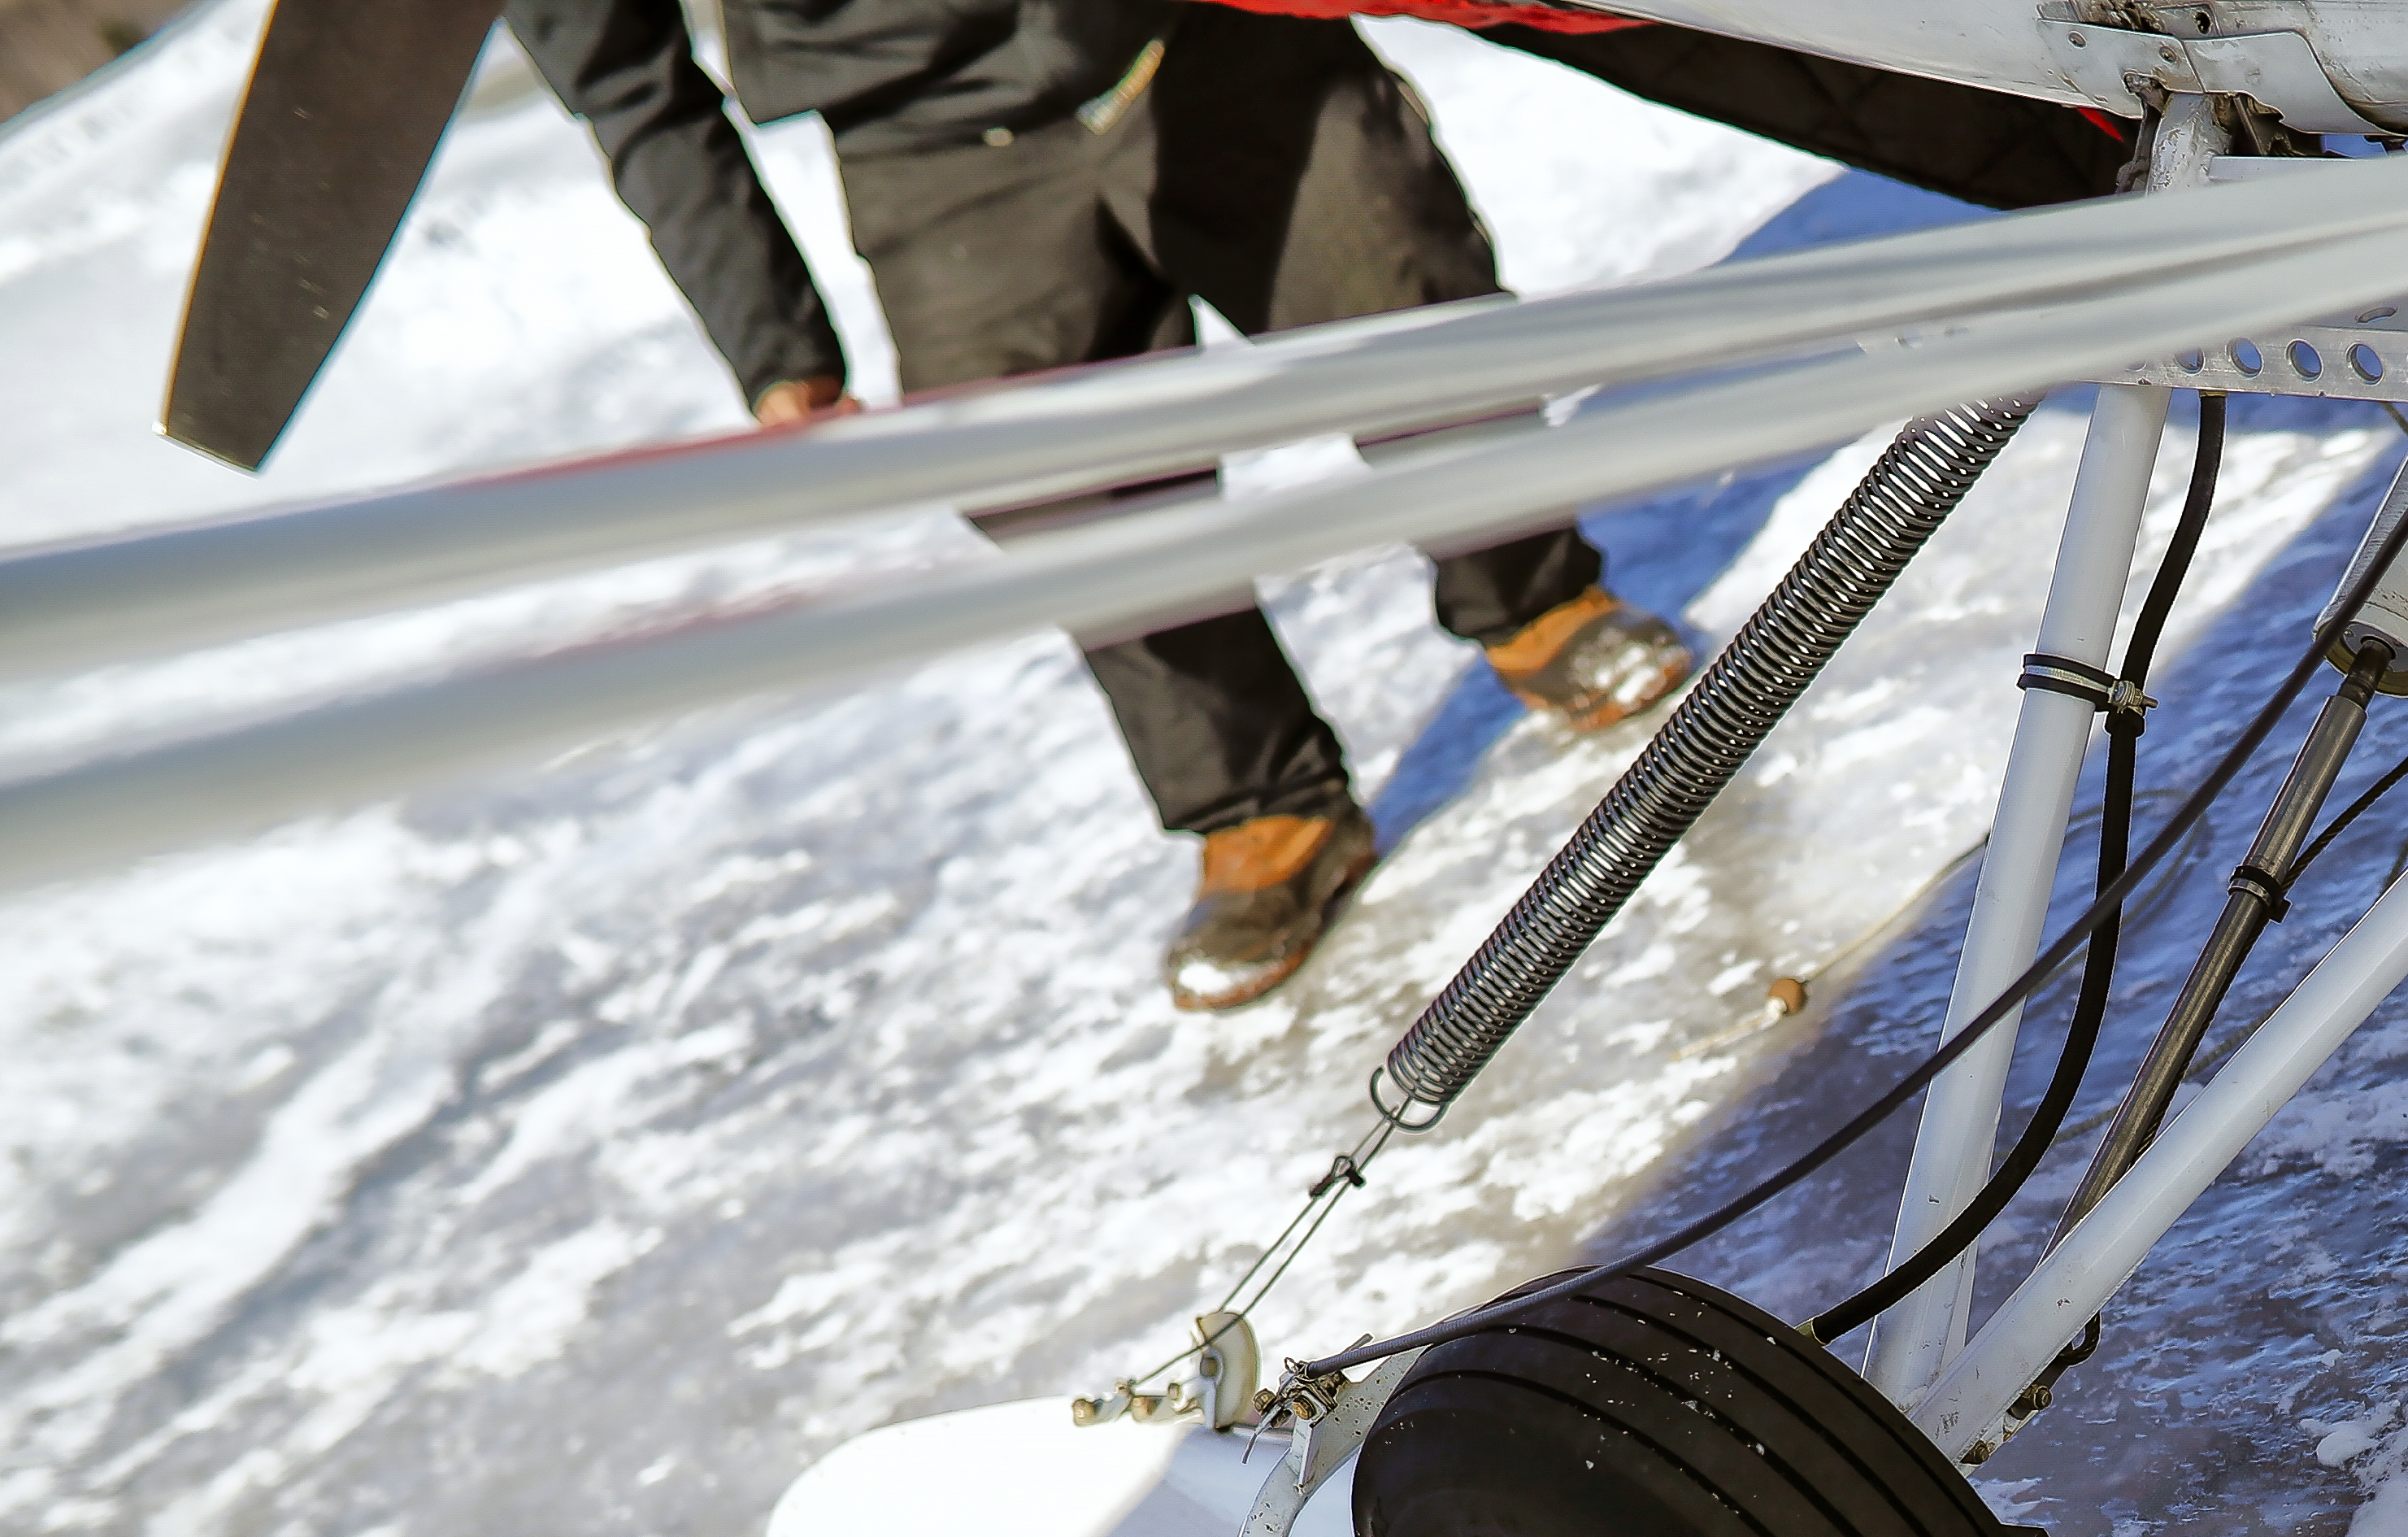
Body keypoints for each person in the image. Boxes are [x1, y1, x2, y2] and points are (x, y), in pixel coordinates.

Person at [502, 0, 1700, 1008]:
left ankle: (1534, 602)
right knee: (1053, 486)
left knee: (1393, 286)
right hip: (922, 133)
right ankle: (1258, 802)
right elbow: (625, 83)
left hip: (1187, 25)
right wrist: (774, 342)